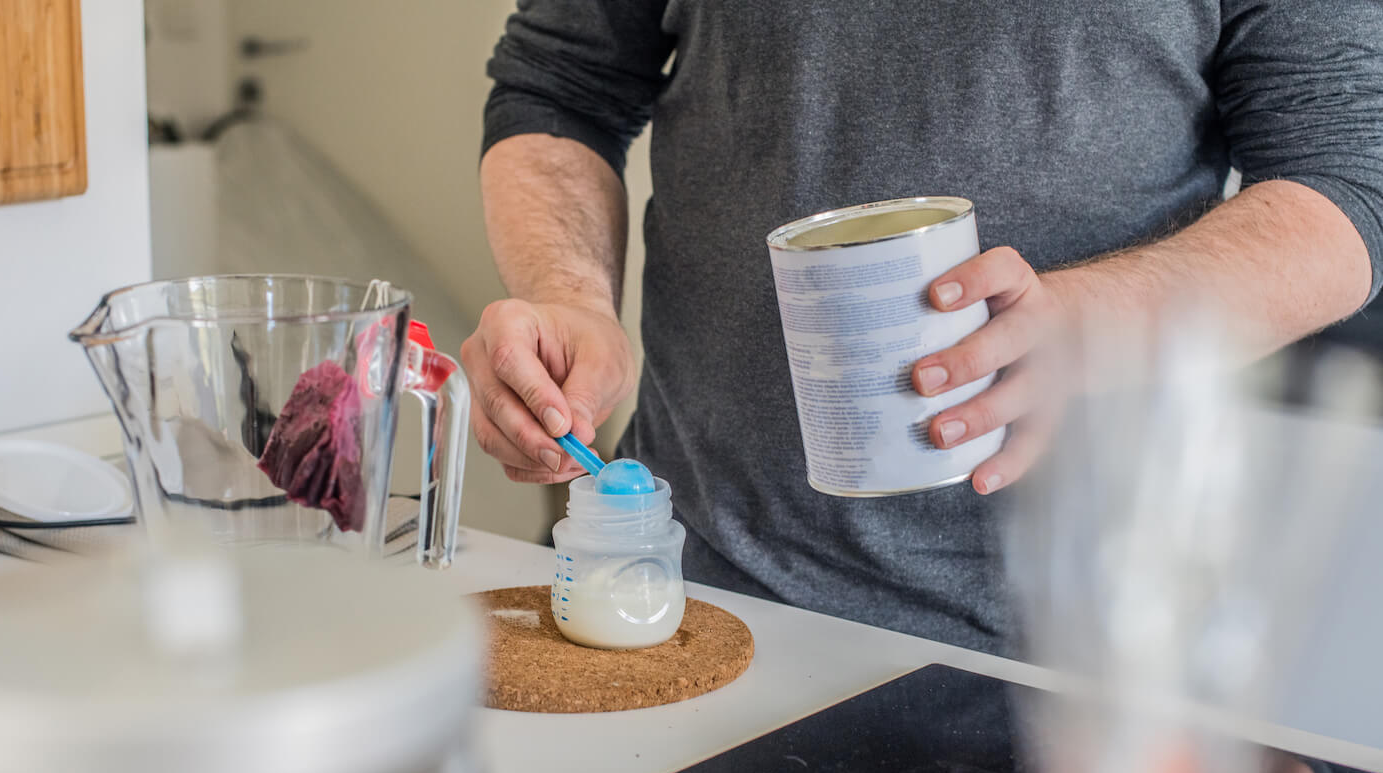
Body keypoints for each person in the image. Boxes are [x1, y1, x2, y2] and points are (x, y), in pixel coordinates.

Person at [463, 2, 1383, 661]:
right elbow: (560, 86)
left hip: (1084, 654)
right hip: (700, 595)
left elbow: (1348, 183)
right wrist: (573, 295)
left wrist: (1100, 317)